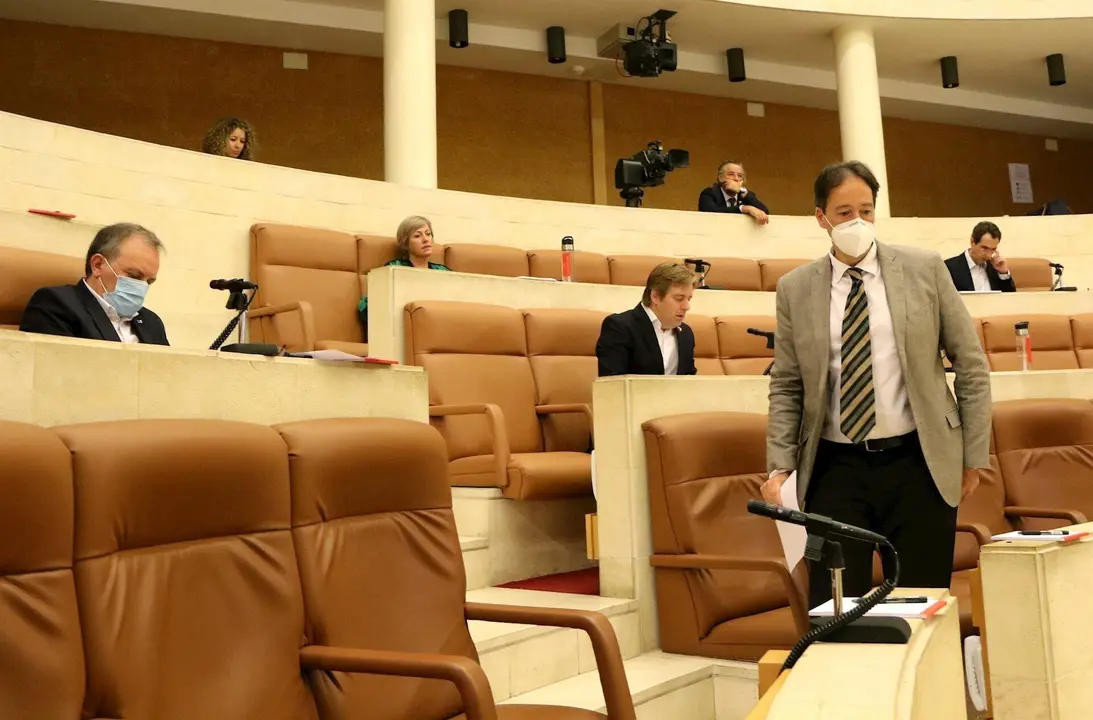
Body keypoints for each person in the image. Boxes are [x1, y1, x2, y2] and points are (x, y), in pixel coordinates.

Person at [763, 160, 991, 609]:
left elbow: (971, 365)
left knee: (921, 605)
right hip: (834, 468)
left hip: (918, 462)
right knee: (833, 611)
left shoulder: (924, 269)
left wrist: (973, 456)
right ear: (821, 217)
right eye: (844, 212)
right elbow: (788, 384)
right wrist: (779, 464)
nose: (857, 222)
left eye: (866, 210)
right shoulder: (795, 288)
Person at [20, 223, 169, 345]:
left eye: (149, 281)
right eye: (134, 276)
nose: (141, 287)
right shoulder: (55, 305)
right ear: (98, 265)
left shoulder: (152, 323)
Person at [596, 262, 698, 376]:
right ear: (655, 296)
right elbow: (612, 384)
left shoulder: (686, 335)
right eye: (679, 298)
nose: (686, 306)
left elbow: (690, 382)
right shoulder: (620, 327)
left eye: (688, 299)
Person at [357, 216, 451, 338]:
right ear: (405, 244)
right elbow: (368, 307)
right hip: (403, 331)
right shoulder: (394, 268)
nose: (425, 240)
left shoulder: (443, 272)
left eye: (428, 234)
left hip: (438, 329)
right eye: (417, 236)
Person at [944, 221, 1015, 293]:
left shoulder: (995, 267)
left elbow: (1010, 299)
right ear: (972, 241)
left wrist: (1003, 273)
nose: (988, 255)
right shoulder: (949, 267)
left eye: (993, 249)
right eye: (984, 248)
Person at [697, 160, 770, 225]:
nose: (736, 179)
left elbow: (765, 212)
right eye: (731, 174)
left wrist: (743, 193)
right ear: (720, 177)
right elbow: (711, 213)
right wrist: (744, 208)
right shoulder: (709, 193)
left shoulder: (746, 195)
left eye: (740, 176)